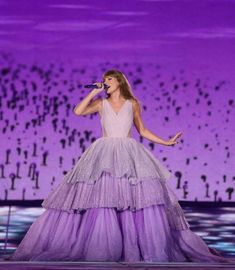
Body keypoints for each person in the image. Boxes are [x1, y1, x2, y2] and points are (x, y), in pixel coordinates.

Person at [9, 69, 234, 263]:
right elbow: (78, 111)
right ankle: (102, 245)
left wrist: (166, 141)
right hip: (104, 153)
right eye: (103, 79)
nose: (105, 82)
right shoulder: (101, 103)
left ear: (119, 82)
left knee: (131, 200)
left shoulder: (132, 103)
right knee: (103, 196)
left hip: (128, 153)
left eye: (109, 79)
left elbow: (142, 130)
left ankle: (134, 246)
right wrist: (94, 91)